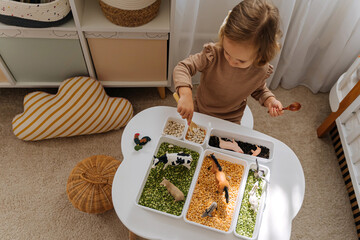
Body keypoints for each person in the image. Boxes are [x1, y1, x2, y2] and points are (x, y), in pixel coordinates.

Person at [173, 0, 284, 125]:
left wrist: (269, 100)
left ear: (260, 55)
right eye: (227, 53)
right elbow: (183, 67)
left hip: (232, 119)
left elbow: (258, 89)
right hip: (201, 110)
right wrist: (185, 94)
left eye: (241, 61)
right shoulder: (213, 54)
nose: (231, 62)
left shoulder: (260, 69)